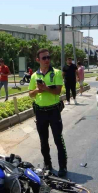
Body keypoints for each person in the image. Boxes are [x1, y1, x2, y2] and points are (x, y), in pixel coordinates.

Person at [28, 48, 68, 177]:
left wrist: (45, 88)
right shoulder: (34, 75)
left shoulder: (56, 73)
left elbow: (58, 91)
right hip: (40, 112)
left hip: (54, 111)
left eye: (48, 57)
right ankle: (47, 164)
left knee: (58, 139)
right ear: (38, 60)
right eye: (44, 58)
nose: (47, 60)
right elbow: (30, 94)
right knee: (43, 141)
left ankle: (63, 167)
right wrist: (37, 91)